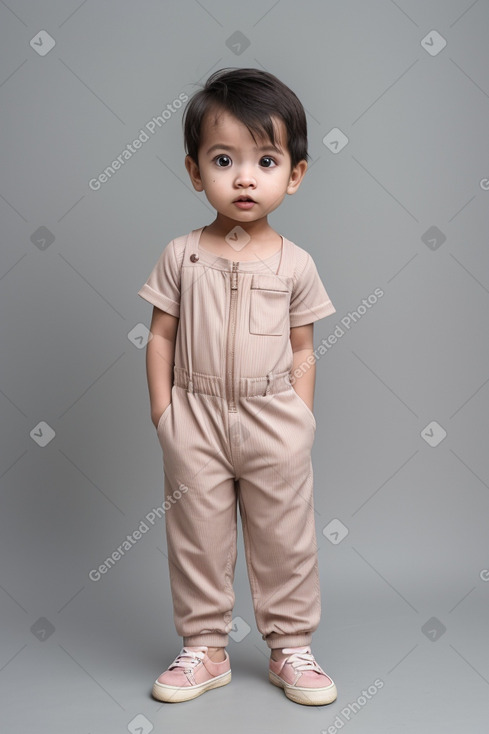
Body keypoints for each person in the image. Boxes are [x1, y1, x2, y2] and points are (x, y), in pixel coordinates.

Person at [138, 67, 338, 706]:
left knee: (287, 536)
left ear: (295, 175)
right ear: (196, 171)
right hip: (194, 416)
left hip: (272, 417)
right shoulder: (181, 255)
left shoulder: (295, 263)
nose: (244, 177)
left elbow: (304, 348)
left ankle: (291, 649)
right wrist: (165, 414)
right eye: (224, 159)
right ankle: (204, 648)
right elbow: (161, 336)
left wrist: (298, 420)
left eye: (266, 160)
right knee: (197, 535)